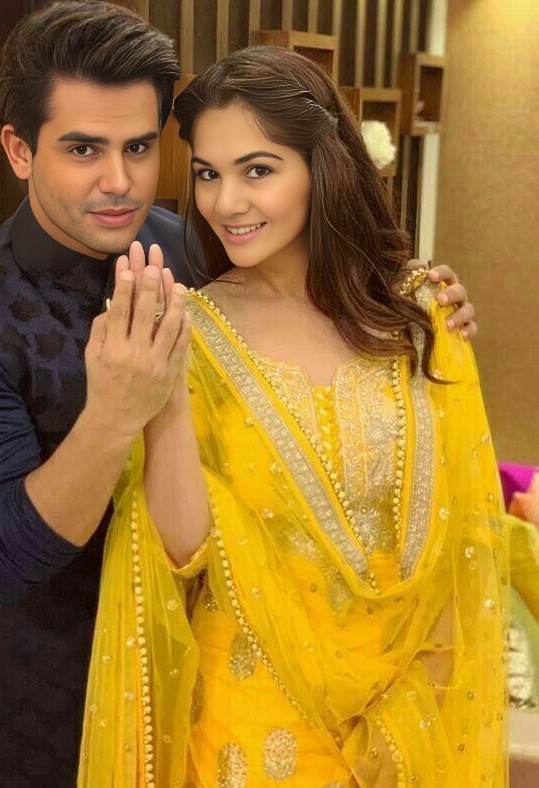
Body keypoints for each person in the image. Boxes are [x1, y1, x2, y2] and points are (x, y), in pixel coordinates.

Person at [0, 3, 476, 786]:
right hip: (62, 702)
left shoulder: (182, 244)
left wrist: (410, 304)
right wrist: (113, 415)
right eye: (83, 149)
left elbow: (294, 330)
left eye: (139, 147)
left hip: (226, 690)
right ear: (19, 150)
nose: (120, 181)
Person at [79, 47, 508, 787]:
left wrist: (422, 713)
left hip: (405, 715)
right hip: (251, 725)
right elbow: (183, 552)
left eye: (258, 170)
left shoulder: (418, 311)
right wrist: (164, 391)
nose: (225, 203)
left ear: (322, 166)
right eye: (208, 174)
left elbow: (463, 535)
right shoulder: (194, 327)